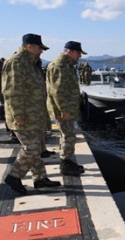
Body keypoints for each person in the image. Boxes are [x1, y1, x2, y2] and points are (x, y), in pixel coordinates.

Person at [2, 33, 61, 194]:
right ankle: (14, 176)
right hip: (24, 116)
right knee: (31, 148)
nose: (41, 51)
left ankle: (40, 179)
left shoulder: (30, 63)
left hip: (33, 115)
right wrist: (18, 116)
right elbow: (12, 92)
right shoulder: (16, 63)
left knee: (36, 148)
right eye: (39, 48)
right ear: (29, 47)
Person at [46, 41, 87, 176]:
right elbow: (58, 91)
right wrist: (64, 110)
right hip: (64, 110)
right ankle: (65, 163)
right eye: (78, 53)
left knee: (66, 135)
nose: (80, 56)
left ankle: (66, 160)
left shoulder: (67, 65)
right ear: (70, 52)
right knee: (69, 135)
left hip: (66, 108)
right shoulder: (60, 66)